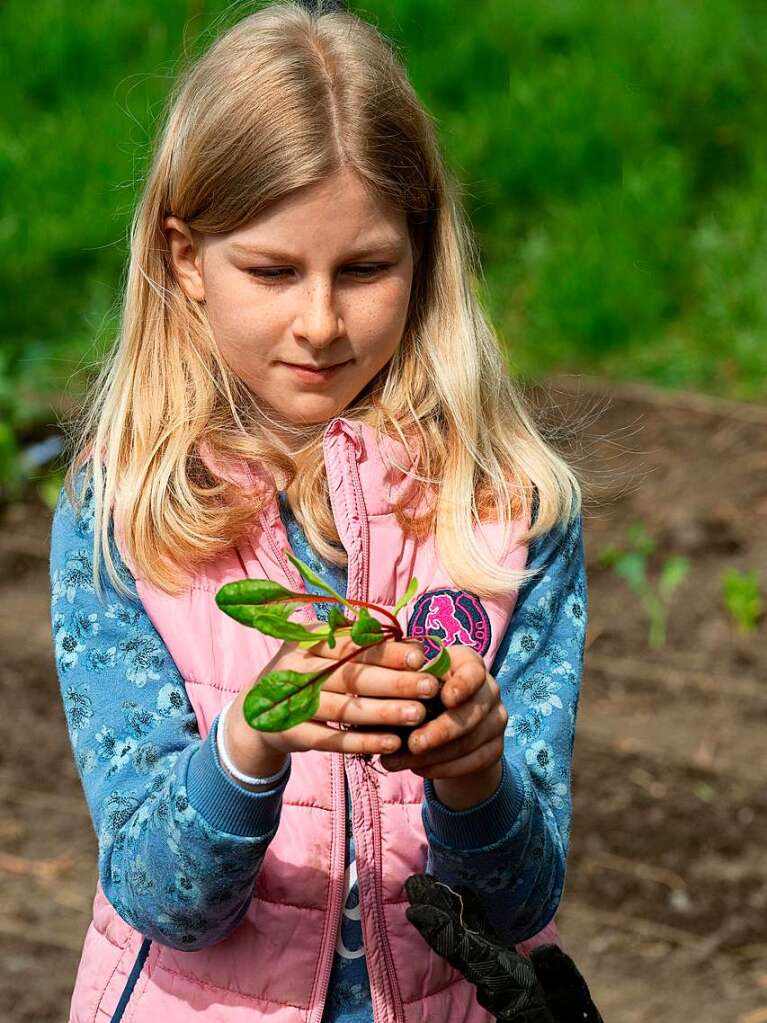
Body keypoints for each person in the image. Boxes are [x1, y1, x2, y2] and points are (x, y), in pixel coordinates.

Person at [49, 2, 589, 1020]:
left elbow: (521, 899)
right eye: (271, 270)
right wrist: (255, 738)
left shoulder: (508, 514)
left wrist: (474, 776)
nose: (319, 322)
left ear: (422, 255)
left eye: (365, 269)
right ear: (183, 260)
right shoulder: (124, 516)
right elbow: (164, 898)